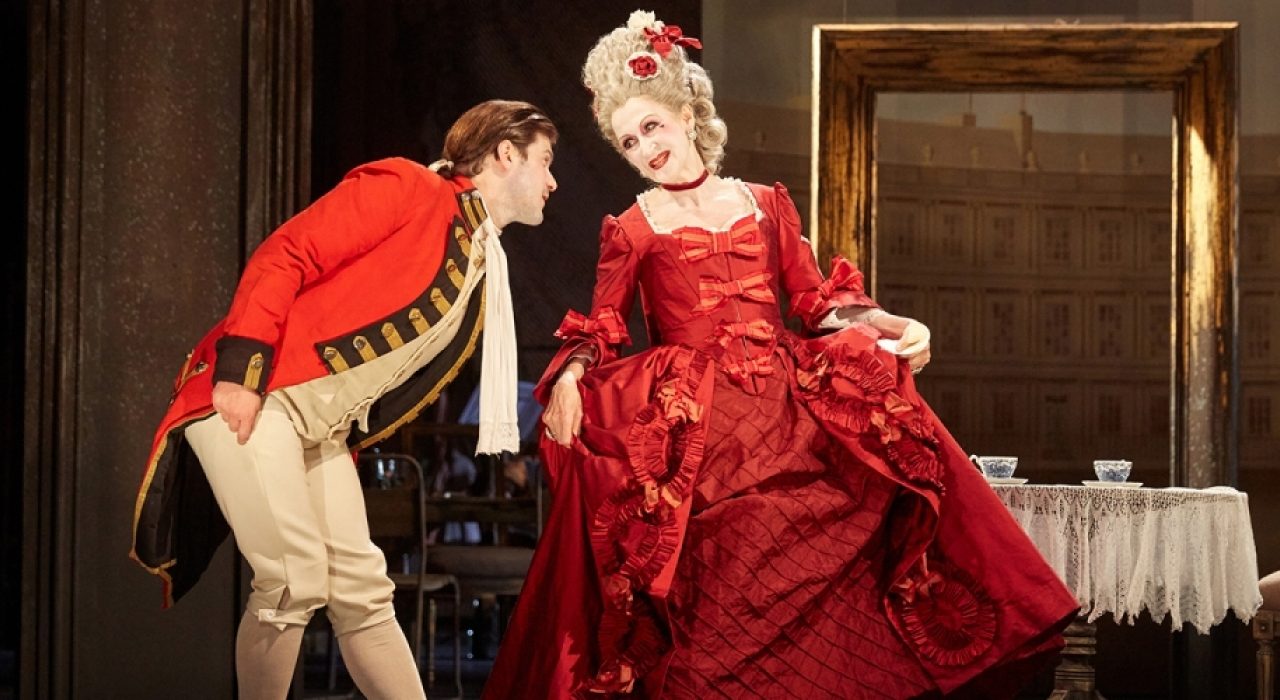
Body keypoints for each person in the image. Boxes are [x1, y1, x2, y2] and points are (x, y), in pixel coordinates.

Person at [484, 14, 1077, 699]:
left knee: (832, 574)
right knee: (715, 613)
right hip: (705, 439)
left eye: (652, 127)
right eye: (627, 140)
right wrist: (573, 375)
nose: (644, 146)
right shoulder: (633, 227)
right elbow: (604, 323)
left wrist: (887, 320)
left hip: (788, 416)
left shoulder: (765, 205)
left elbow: (817, 304)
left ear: (684, 114)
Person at [129, 99, 558, 699]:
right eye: (544, 161)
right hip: (262, 392)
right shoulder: (410, 187)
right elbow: (288, 251)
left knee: (363, 590)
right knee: (290, 581)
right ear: (505, 154)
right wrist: (240, 369)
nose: (552, 180)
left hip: (317, 428)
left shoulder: (479, 253)